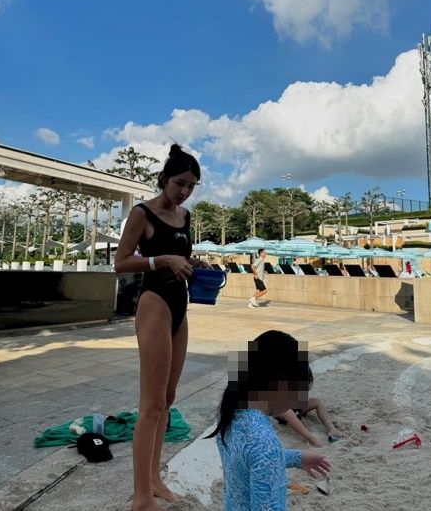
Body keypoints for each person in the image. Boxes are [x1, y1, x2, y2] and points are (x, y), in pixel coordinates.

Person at [115, 144, 206, 511]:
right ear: (165, 178)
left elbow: (181, 258)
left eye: (191, 186)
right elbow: (121, 263)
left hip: (180, 306)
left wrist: (193, 264)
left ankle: (154, 480)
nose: (184, 191)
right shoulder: (142, 213)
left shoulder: (185, 216)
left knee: (168, 399)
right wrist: (162, 260)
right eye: (180, 183)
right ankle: (141, 498)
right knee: (150, 405)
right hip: (154, 305)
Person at [206, 330, 331, 510]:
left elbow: (247, 461)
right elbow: (262, 455)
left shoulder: (230, 411)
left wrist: (296, 457)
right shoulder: (264, 443)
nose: (299, 401)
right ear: (280, 385)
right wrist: (276, 455)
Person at [275, 362, 343, 446]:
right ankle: (311, 438)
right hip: (281, 412)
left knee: (316, 402)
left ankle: (331, 428)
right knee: (290, 412)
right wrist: (311, 435)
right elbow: (296, 414)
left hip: (295, 407)